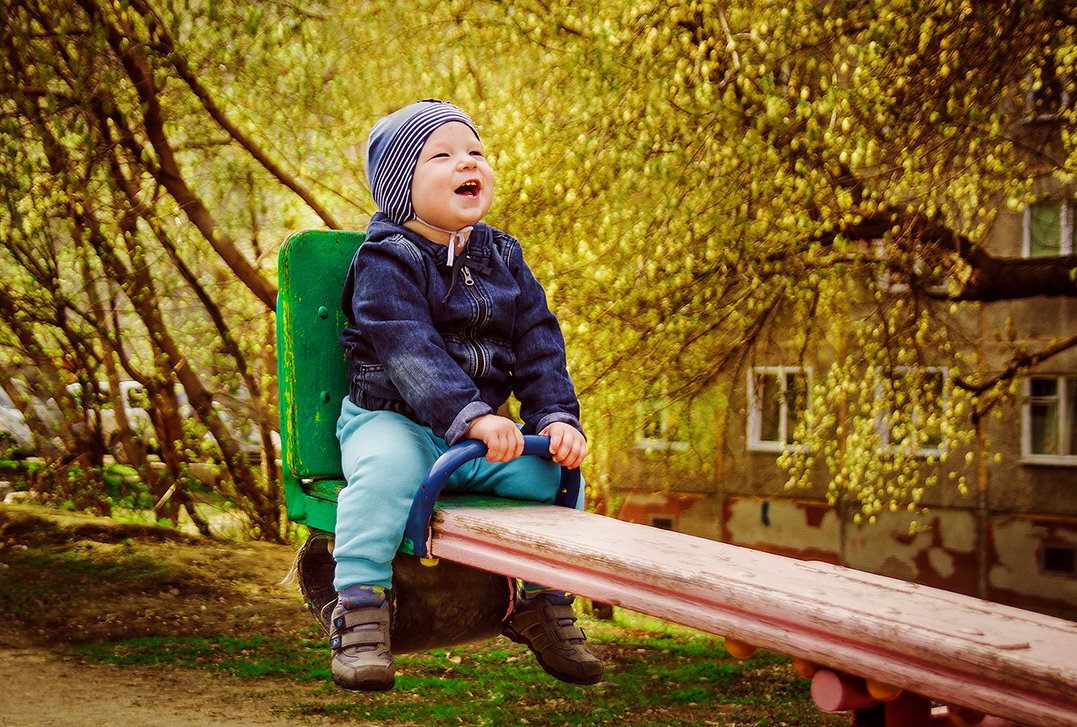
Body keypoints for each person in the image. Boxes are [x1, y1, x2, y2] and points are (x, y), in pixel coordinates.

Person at [332, 100, 603, 692]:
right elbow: (409, 349)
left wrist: (556, 417)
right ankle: (360, 608)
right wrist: (472, 415)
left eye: (475, 152)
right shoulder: (387, 259)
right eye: (443, 154)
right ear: (401, 184)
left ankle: (542, 599)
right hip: (394, 420)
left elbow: (537, 341)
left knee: (555, 480)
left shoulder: (503, 256)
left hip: (470, 439)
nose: (467, 162)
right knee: (383, 475)